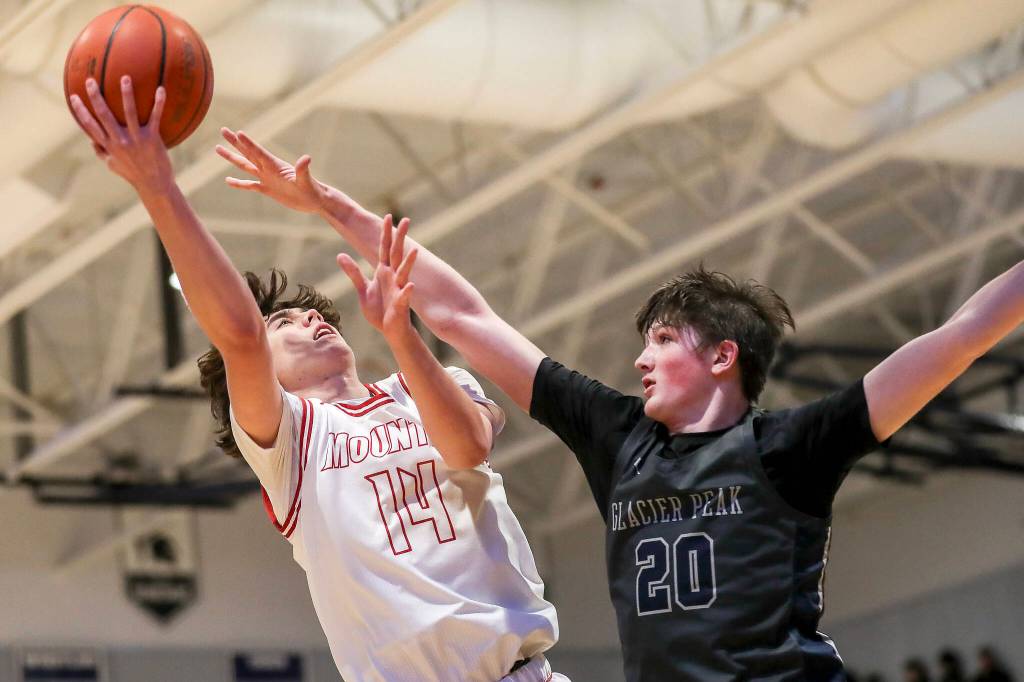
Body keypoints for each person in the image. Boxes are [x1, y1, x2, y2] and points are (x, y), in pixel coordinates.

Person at [217, 127, 1024, 681]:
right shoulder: (617, 436)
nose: (639, 356)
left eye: (663, 341)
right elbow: (464, 315)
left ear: (722, 356)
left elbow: (958, 336)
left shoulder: (793, 446)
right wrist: (330, 206)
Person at [69, 77, 568, 682]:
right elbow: (239, 334)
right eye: (285, 321)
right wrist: (157, 185)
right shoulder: (289, 445)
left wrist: (402, 335)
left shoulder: (425, 385)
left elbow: (468, 446)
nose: (310, 317)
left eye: (315, 313)